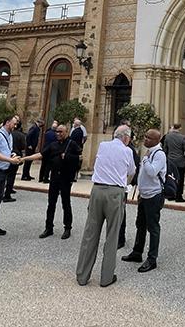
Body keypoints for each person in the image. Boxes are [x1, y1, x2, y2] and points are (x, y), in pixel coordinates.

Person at [76, 125, 136, 287]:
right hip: (115, 193)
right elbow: (131, 171)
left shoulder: (103, 145)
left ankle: (82, 275)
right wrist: (124, 184)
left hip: (97, 190)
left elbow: (98, 162)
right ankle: (106, 277)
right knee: (112, 236)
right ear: (125, 137)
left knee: (90, 233)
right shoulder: (127, 151)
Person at [121, 129, 167, 273]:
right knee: (140, 224)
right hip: (144, 194)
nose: (145, 139)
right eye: (145, 136)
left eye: (148, 138)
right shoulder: (149, 152)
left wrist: (146, 160)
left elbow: (152, 171)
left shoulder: (159, 154)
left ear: (156, 140)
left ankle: (152, 259)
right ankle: (137, 252)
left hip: (154, 195)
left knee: (153, 227)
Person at [36, 123, 82, 239]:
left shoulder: (72, 144)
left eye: (61, 132)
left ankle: (67, 228)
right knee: (51, 203)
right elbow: (41, 154)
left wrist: (67, 157)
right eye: (57, 131)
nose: (58, 134)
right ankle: (48, 227)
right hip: (54, 178)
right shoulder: (53, 145)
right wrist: (24, 158)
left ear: (66, 132)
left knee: (66, 203)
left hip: (66, 178)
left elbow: (80, 158)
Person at [161, 123, 185, 202]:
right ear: (180, 128)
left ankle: (171, 194)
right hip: (180, 161)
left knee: (170, 178)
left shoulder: (167, 136)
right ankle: (178, 196)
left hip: (170, 161)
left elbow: (165, 149)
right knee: (180, 179)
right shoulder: (183, 137)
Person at [3, 116, 26, 201]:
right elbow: (23, 146)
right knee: (11, 176)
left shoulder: (8, 133)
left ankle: (2, 192)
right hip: (15, 156)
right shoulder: (21, 135)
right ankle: (7, 194)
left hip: (6, 156)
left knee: (4, 175)